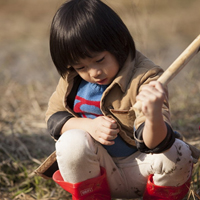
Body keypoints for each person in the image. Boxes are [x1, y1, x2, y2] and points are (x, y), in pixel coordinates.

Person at [37, 0, 198, 199]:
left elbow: (156, 145)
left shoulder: (146, 78)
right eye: (81, 67)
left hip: (141, 169)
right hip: (97, 172)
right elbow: (54, 119)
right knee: (71, 140)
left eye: (99, 60)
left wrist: (153, 114)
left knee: (178, 152)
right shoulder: (72, 78)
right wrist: (89, 125)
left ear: (118, 43)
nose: (94, 72)